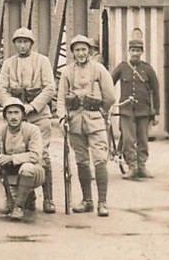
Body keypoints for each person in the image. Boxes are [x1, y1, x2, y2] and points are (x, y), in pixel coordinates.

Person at [0, 27, 56, 213]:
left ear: (31, 43)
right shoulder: (8, 63)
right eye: (19, 42)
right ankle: (26, 195)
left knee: (42, 155)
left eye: (26, 42)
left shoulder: (42, 61)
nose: (22, 45)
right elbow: (2, 88)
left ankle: (49, 198)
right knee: (16, 150)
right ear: (14, 44)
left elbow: (49, 88)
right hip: (15, 114)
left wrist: (31, 107)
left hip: (37, 114)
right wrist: (12, 106)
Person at [56, 33, 116, 217]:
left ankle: (102, 202)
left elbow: (110, 96)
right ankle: (87, 200)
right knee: (81, 160)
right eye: (77, 50)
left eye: (84, 49)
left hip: (95, 120)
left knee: (99, 159)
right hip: (75, 121)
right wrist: (62, 119)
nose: (81, 53)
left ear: (89, 51)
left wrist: (100, 111)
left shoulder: (99, 69)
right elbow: (60, 99)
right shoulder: (66, 72)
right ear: (72, 53)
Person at [0, 100, 45, 222]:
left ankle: (19, 207)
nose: (13, 117)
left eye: (16, 113)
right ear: (4, 116)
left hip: (33, 172)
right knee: (2, 208)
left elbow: (35, 155)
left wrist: (11, 158)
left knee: (27, 169)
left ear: (23, 115)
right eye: (9, 113)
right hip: (9, 174)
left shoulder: (33, 130)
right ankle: (26, 196)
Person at [111, 39, 160, 179]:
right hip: (126, 110)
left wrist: (156, 112)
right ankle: (132, 167)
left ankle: (142, 167)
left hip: (144, 110)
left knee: (143, 140)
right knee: (128, 139)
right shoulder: (122, 67)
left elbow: (156, 91)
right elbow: (109, 83)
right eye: (133, 50)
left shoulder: (148, 69)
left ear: (142, 52)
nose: (135, 53)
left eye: (138, 50)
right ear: (129, 51)